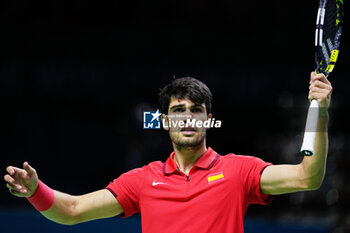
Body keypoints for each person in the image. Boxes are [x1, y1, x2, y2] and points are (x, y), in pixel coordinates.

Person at [4, 72, 332, 233]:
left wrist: (322, 110)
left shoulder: (238, 171)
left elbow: (308, 176)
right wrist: (35, 191)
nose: (188, 117)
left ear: (208, 118)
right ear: (165, 121)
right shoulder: (143, 180)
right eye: (178, 110)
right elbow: (72, 210)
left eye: (196, 109)